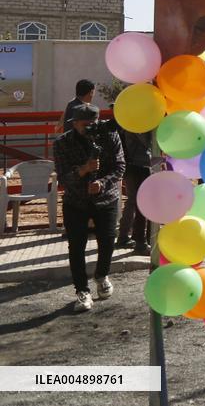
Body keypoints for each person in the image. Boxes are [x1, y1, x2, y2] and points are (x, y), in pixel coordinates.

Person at [53, 104, 126, 312]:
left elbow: (120, 165)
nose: (91, 129)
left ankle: (102, 275)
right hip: (76, 201)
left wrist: (103, 182)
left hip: (106, 199)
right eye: (86, 125)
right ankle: (82, 291)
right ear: (75, 124)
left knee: (107, 240)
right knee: (76, 247)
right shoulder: (62, 143)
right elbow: (63, 177)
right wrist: (83, 170)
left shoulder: (109, 136)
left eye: (94, 124)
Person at [115, 128, 155, 255]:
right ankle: (141, 242)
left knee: (134, 201)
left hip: (133, 164)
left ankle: (126, 237)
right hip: (138, 165)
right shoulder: (137, 124)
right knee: (143, 203)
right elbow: (148, 142)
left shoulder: (127, 121)